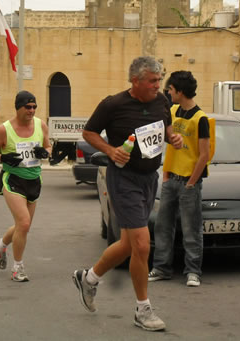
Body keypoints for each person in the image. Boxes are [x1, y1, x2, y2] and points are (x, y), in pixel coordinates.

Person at [72, 56, 182, 332]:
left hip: (149, 178)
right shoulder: (114, 104)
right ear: (135, 81)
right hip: (123, 179)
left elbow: (164, 126)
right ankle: (142, 310)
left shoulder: (161, 102)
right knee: (142, 244)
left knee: (128, 244)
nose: (158, 85)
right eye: (152, 81)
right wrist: (110, 150)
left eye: (159, 80)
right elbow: (89, 132)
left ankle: (89, 279)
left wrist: (173, 137)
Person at [148, 71, 210, 287]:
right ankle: (161, 268)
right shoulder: (172, 111)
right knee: (163, 227)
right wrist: (166, 175)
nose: (168, 92)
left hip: (188, 183)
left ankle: (193, 271)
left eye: (171, 89)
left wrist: (192, 182)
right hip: (170, 179)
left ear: (180, 91)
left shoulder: (200, 118)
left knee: (191, 229)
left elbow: (204, 155)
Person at [0, 90, 51, 282]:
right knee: (24, 223)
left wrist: (44, 152)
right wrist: (2, 157)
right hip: (13, 180)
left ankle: (1, 245)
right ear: (18, 107)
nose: (31, 111)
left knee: (23, 226)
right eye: (27, 107)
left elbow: (48, 146)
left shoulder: (41, 125)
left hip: (34, 180)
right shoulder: (4, 130)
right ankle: (18, 268)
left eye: (34, 107)